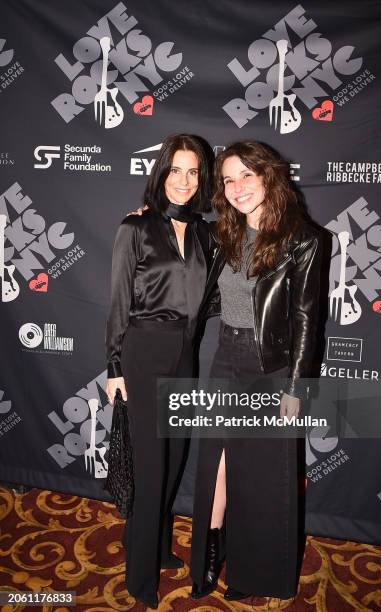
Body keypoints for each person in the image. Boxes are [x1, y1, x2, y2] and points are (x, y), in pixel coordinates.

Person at [190, 141, 323, 605]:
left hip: (271, 366)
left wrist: (295, 389)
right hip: (225, 353)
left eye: (247, 175)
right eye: (229, 179)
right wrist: (147, 214)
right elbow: (176, 231)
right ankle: (209, 549)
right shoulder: (221, 232)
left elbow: (308, 320)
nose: (238, 187)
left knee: (267, 476)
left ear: (269, 177)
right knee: (218, 460)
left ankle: (259, 572)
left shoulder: (303, 239)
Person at [105, 133, 214, 609]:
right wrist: (113, 366)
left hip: (185, 354)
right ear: (161, 173)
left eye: (193, 172)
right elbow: (117, 303)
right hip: (143, 353)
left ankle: (150, 542)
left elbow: (212, 299)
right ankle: (139, 578)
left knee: (173, 463)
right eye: (175, 170)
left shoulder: (209, 234)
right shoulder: (135, 228)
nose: (183, 181)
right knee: (151, 470)